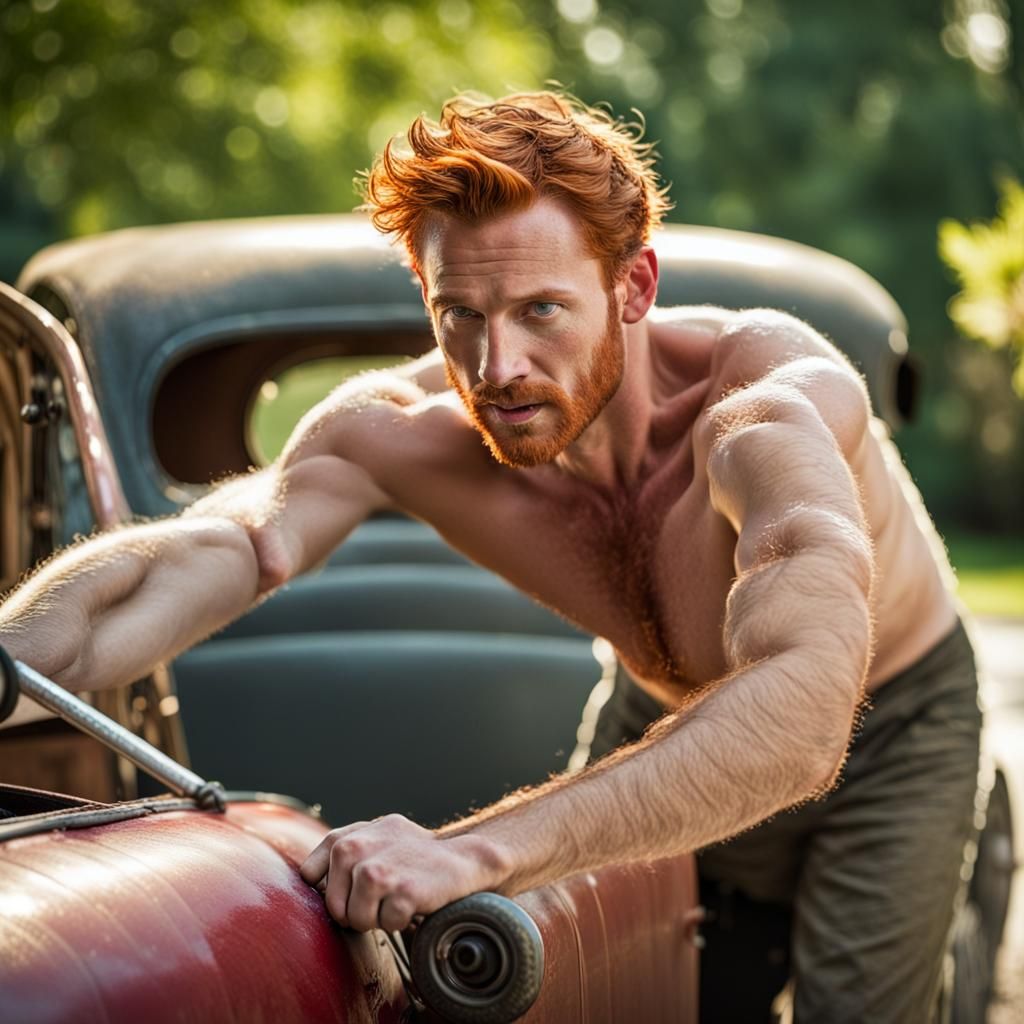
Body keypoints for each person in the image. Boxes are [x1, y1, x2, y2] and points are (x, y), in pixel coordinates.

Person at [0, 92, 980, 1022]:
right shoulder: (399, 430)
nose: (495, 365)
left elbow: (806, 708)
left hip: (887, 724)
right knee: (615, 989)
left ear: (633, 284)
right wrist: (10, 663)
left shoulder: (766, 407)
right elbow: (214, 549)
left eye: (540, 311)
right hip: (665, 705)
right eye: (458, 314)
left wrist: (472, 850)